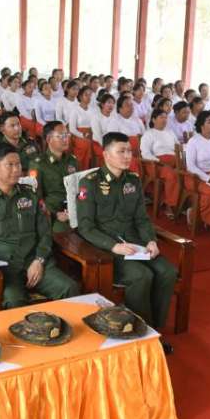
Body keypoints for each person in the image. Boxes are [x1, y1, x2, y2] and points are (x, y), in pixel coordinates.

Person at [76, 132, 180, 341]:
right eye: (121, 151)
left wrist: (151, 240)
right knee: (141, 276)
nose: (127, 156)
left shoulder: (133, 180)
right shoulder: (90, 183)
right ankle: (140, 332)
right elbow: (86, 227)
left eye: (129, 151)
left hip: (137, 245)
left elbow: (142, 218)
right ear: (106, 154)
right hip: (108, 249)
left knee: (168, 271)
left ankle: (155, 327)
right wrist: (113, 246)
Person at [0, 144, 81, 308]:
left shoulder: (31, 194)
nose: (17, 170)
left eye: (18, 164)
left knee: (70, 288)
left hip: (35, 262)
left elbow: (45, 233)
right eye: (10, 165)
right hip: (6, 270)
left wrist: (39, 260)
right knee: (13, 302)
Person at [29, 121, 79, 233]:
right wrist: (55, 214)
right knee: (63, 231)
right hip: (53, 213)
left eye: (67, 135)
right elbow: (35, 197)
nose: (66, 139)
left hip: (74, 208)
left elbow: (79, 188)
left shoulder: (72, 160)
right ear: (48, 139)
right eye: (61, 136)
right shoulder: (38, 164)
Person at [184, 111, 210, 227]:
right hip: (196, 176)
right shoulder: (193, 141)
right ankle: (207, 218)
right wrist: (208, 178)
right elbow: (190, 166)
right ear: (201, 125)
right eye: (209, 122)